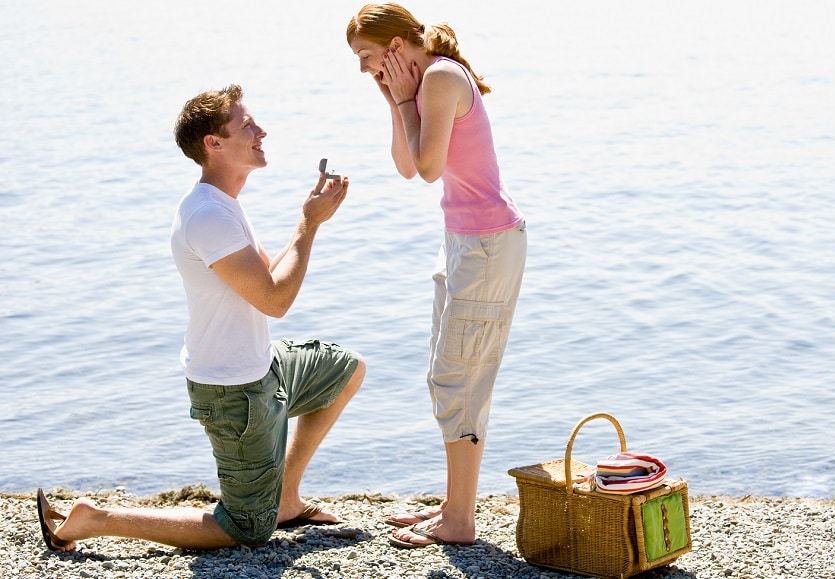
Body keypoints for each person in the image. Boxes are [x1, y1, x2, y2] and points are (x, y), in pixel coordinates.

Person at [36, 84, 366, 551]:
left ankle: (285, 499)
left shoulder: (224, 204)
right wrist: (308, 225)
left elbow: (266, 277)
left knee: (346, 368)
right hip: (234, 391)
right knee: (245, 530)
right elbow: (275, 301)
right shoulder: (207, 215)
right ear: (213, 144)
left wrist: (308, 218)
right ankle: (95, 518)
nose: (261, 131)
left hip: (262, 365)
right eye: (246, 125)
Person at [347, 3, 526, 548]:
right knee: (450, 374)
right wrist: (393, 99)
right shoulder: (423, 84)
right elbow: (407, 165)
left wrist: (403, 98)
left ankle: (459, 522)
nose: (362, 69)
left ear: (398, 45)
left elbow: (427, 169)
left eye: (368, 57)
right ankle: (455, 507)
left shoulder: (444, 76)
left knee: (457, 378)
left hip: (487, 246)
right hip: (464, 243)